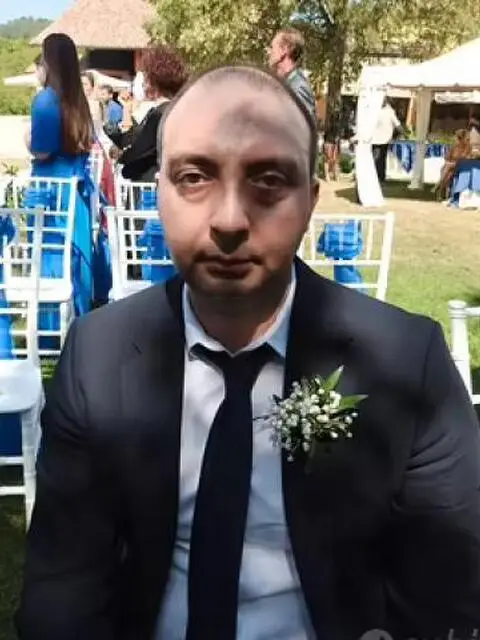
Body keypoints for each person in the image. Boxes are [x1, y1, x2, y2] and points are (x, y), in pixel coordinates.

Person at [17, 65, 480, 640]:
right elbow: (63, 588)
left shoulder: (406, 364)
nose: (230, 220)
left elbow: (448, 590)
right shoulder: (98, 357)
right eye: (194, 177)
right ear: (159, 193)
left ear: (310, 202)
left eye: (268, 180)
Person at [25, 32, 94, 332]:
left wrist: (27, 139)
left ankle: (51, 328)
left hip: (52, 193)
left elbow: (41, 150)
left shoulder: (45, 100)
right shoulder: (79, 101)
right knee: (74, 265)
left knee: (51, 259)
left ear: (49, 63)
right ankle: (78, 324)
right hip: (76, 193)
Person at [107, 45, 187, 183]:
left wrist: (122, 156)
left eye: (145, 77)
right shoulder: (177, 109)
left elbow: (139, 151)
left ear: (153, 81)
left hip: (151, 184)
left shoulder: (159, 113)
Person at [268, 27, 317, 122]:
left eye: (272, 47)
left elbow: (304, 127)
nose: (269, 52)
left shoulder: (298, 87)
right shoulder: (284, 83)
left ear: (284, 50)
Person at [434, 128, 471, 200]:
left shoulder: (467, 147)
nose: (455, 139)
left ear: (461, 139)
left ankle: (440, 187)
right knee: (448, 174)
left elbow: (463, 158)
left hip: (459, 166)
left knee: (447, 169)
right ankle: (441, 189)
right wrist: (449, 162)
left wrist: (452, 163)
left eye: (456, 138)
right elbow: (447, 157)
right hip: (450, 167)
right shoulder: (454, 147)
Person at [372, 97, 402, 183]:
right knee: (380, 158)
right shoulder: (386, 111)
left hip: (381, 139)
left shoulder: (388, 111)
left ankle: (379, 177)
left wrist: (400, 132)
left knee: (379, 158)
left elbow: (397, 124)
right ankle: (380, 177)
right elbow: (397, 124)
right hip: (378, 138)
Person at [81, 71, 103, 138]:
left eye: (85, 84)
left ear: (92, 87)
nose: (81, 86)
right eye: (80, 83)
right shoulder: (74, 103)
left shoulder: (94, 104)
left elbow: (96, 129)